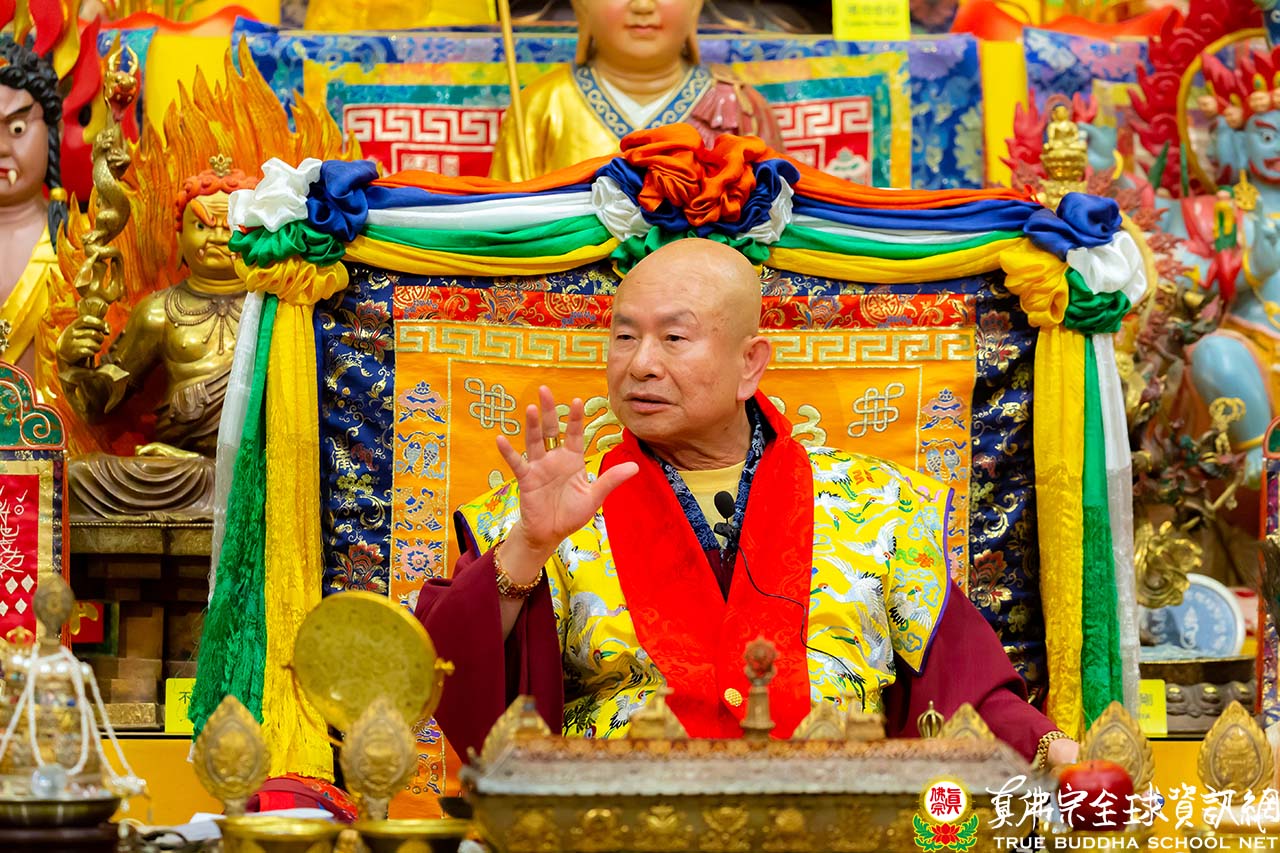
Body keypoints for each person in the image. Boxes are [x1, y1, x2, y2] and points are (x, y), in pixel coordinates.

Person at [415, 238, 1080, 770]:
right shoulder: (549, 507)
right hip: (624, 822)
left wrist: (1063, 757)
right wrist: (529, 546)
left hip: (836, 817)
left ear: (750, 363)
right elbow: (451, 685)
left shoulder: (876, 501)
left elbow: (964, 686)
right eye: (623, 337)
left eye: (674, 338)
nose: (640, 364)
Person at [489, 0, 783, 181]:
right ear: (583, 7)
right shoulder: (542, 104)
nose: (643, 6)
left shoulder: (739, 106)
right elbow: (507, 223)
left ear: (695, 6)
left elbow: (782, 213)